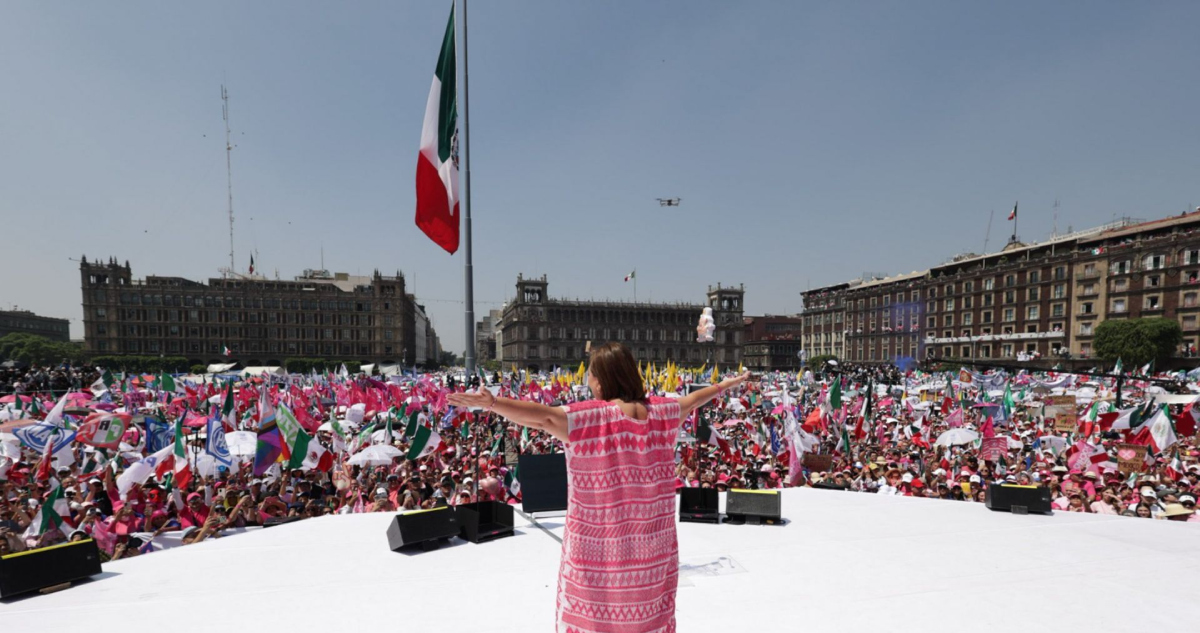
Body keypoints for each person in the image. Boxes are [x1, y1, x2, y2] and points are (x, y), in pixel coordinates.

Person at [449, 342, 749, 633]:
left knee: (595, 620)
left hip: (600, 552)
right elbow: (694, 400)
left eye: (590, 374)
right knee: (649, 619)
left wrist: (492, 403)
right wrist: (727, 384)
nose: (588, 380)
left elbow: (544, 417)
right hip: (653, 551)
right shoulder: (663, 412)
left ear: (602, 381)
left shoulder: (592, 417)